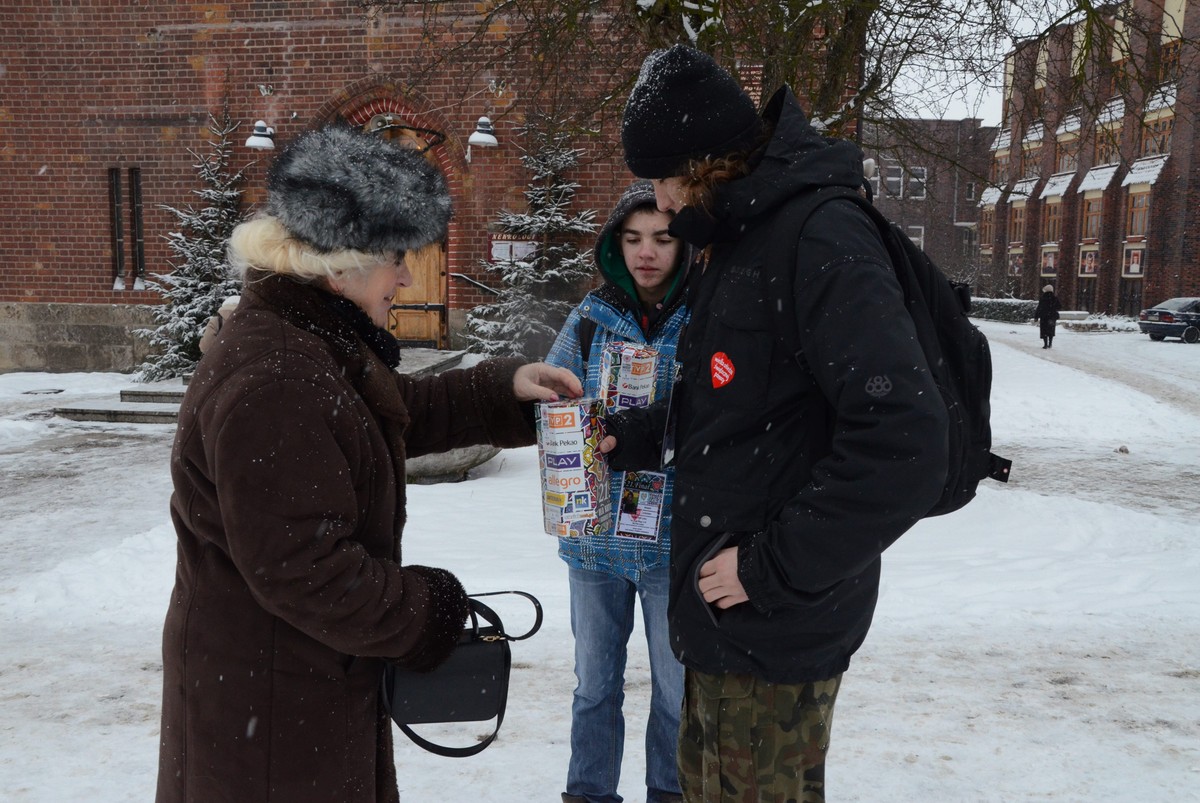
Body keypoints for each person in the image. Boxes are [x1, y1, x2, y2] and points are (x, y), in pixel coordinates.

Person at [155, 125, 582, 803]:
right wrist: (424, 611)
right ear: (340, 264)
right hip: (274, 722)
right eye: (394, 258)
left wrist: (501, 394)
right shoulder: (280, 378)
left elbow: (380, 415)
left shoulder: (310, 341)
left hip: (289, 689)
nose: (406, 277)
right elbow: (304, 569)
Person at [600, 45, 950, 802]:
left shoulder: (820, 237)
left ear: (698, 165)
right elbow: (746, 400)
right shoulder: (740, 237)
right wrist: (643, 434)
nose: (656, 202)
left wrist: (767, 569)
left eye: (659, 180)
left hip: (772, 625)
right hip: (726, 624)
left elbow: (906, 445)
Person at [544, 180, 689, 803]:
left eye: (661, 238)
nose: (646, 252)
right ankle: (589, 792)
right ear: (615, 245)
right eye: (632, 239)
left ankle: (670, 792)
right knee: (594, 688)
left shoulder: (708, 316)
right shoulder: (589, 318)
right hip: (595, 543)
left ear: (684, 245)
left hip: (673, 545)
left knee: (677, 693)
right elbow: (552, 398)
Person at [1035, 283, 1063, 348]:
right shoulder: (1054, 298)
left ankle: (1045, 344)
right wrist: (1053, 307)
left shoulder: (1043, 298)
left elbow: (1039, 307)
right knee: (1051, 330)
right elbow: (1059, 306)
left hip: (1044, 316)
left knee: (1044, 330)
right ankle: (1050, 344)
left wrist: (1036, 316)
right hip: (1052, 317)